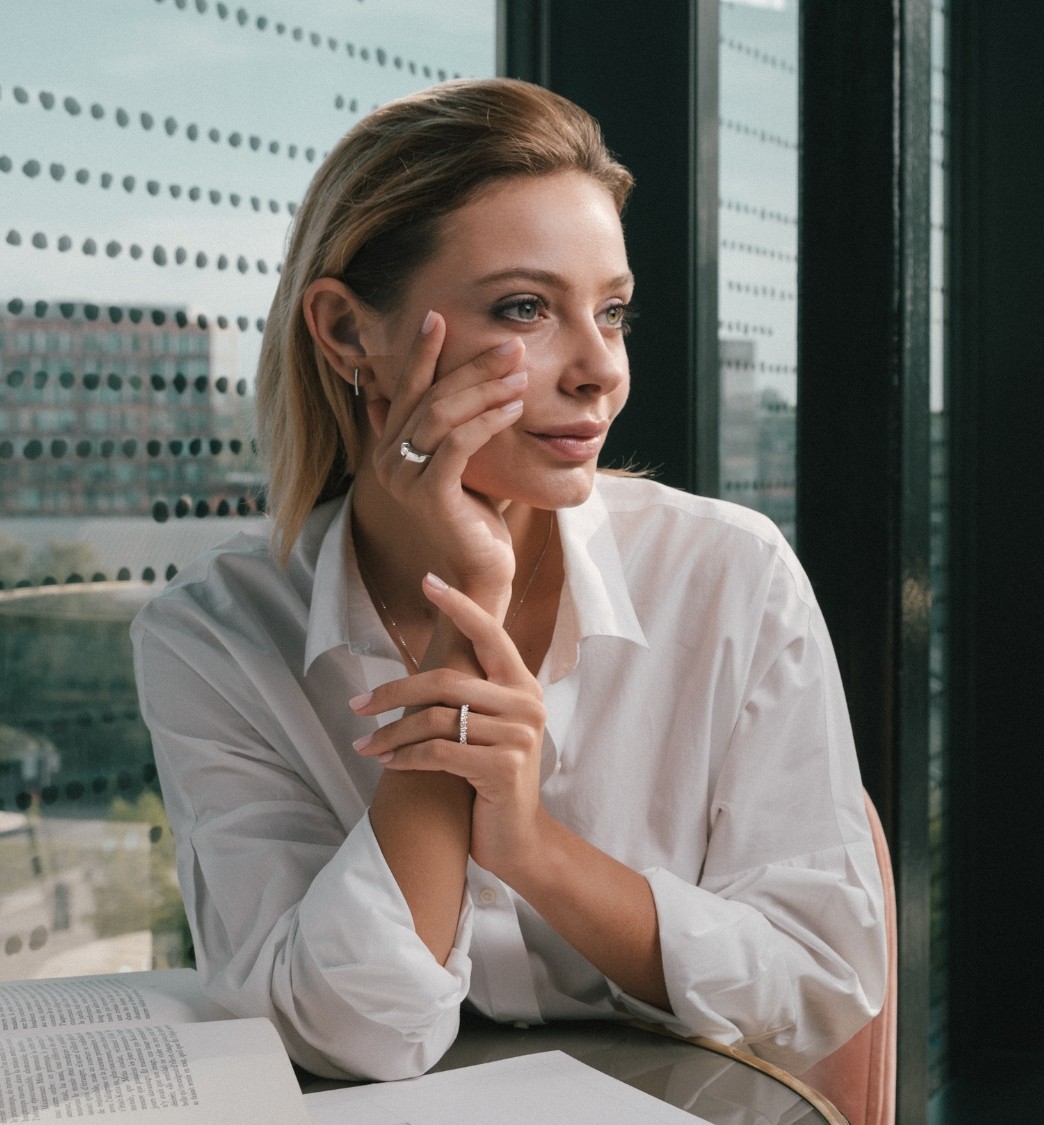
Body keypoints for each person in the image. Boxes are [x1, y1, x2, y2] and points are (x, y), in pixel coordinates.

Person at [129, 78, 885, 1082]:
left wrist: (531, 848)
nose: (597, 371)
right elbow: (339, 1030)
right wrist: (468, 596)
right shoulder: (215, 634)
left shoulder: (728, 577)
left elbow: (821, 980)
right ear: (350, 333)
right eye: (525, 308)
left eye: (611, 313)